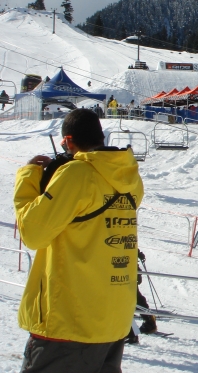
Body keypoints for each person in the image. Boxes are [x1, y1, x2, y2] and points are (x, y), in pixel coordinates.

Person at [14, 108, 144, 372]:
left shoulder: (76, 174)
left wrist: (28, 177)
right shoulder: (129, 178)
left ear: (68, 141)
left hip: (69, 320)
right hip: (112, 320)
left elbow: (33, 232)